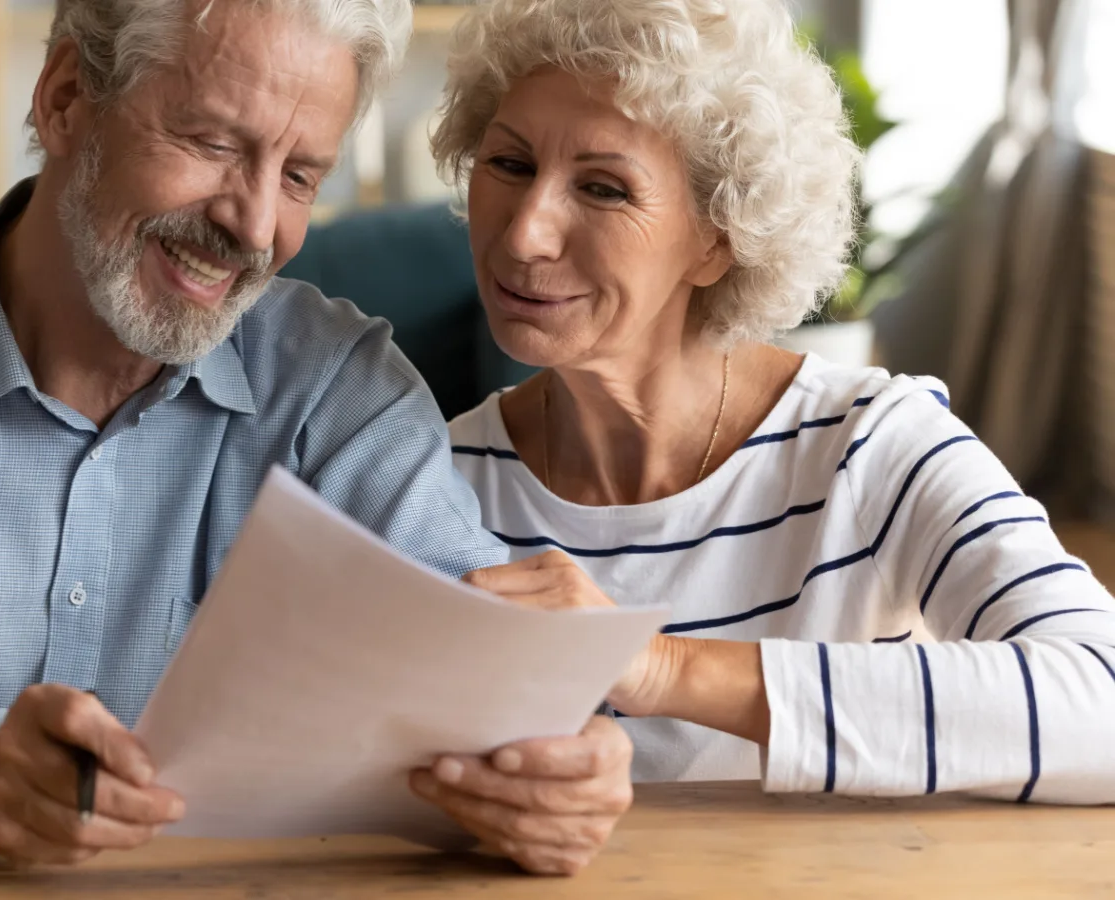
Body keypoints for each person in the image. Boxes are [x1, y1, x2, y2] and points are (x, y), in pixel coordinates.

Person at [0, 0, 632, 878]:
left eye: (299, 175)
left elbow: (484, 664)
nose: (254, 223)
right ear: (63, 101)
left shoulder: (341, 387)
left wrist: (558, 760)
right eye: (213, 142)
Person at [435, 0, 1115, 801]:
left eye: (605, 188)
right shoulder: (437, 479)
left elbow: (1100, 695)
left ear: (719, 238)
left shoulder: (872, 445)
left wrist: (657, 665)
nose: (523, 236)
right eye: (509, 165)